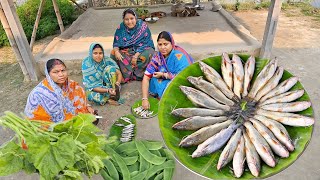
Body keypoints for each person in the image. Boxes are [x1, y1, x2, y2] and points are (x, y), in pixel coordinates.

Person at [25, 59, 95, 123]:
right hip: (50, 126)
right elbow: (36, 118)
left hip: (72, 118)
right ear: (48, 74)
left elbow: (78, 101)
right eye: (56, 72)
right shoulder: (39, 94)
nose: (61, 75)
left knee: (78, 90)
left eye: (63, 70)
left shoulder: (71, 85)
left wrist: (87, 106)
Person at [141, 31, 194, 109]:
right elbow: (146, 77)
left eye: (165, 44)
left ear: (171, 44)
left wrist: (164, 75)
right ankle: (163, 94)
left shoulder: (179, 56)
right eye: (160, 44)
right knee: (154, 79)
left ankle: (168, 98)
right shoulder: (157, 56)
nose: (162, 47)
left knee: (167, 85)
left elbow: (184, 77)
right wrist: (144, 99)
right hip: (167, 77)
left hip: (180, 80)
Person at [110, 8, 155, 82]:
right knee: (113, 53)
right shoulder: (121, 28)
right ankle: (125, 75)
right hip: (127, 51)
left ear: (136, 18)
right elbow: (116, 43)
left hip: (141, 50)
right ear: (123, 20)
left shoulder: (142, 26)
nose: (129, 22)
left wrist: (136, 55)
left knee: (151, 52)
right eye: (126, 19)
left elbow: (147, 43)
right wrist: (117, 51)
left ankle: (138, 74)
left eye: (132, 18)